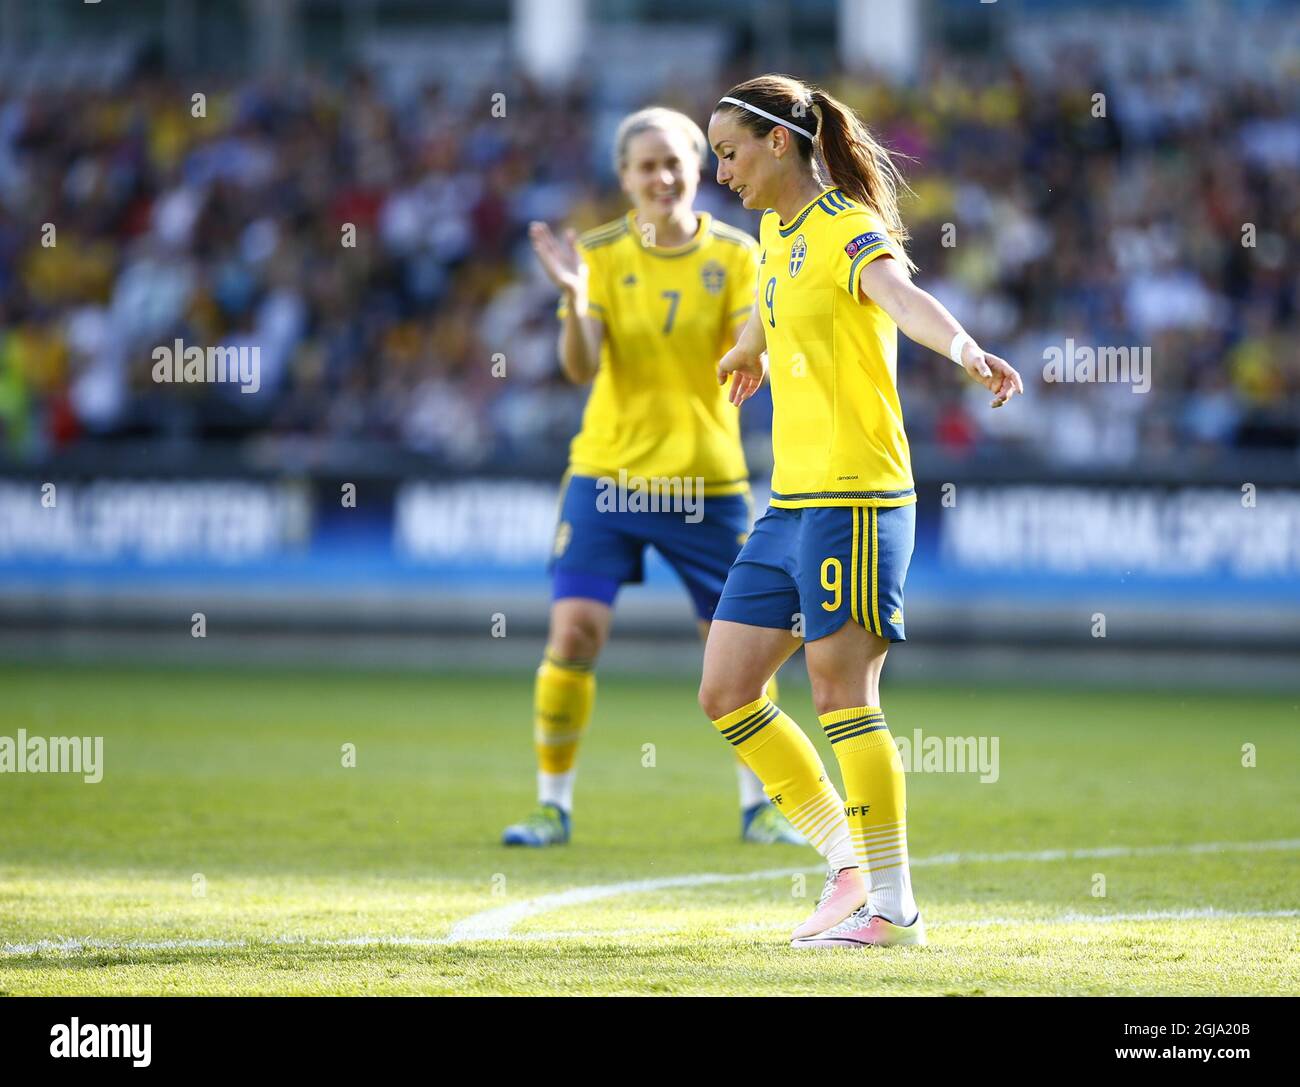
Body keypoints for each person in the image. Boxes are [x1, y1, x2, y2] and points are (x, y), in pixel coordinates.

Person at [699, 75, 1023, 946]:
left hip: (856, 495)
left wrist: (962, 347)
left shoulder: (848, 225)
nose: (719, 170)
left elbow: (900, 300)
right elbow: (780, 303)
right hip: (792, 500)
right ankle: (847, 864)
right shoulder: (775, 230)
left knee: (843, 691)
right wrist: (747, 347)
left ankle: (896, 908)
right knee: (727, 689)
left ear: (778, 143)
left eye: (728, 152)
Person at [502, 106, 803, 848]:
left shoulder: (738, 254)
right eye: (647, 166)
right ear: (625, 177)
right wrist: (574, 301)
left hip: (707, 483)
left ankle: (759, 805)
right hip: (608, 475)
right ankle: (553, 805)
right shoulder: (598, 255)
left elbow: (748, 343)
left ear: (700, 170)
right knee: (574, 633)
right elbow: (580, 367)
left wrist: (755, 351)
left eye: (676, 163)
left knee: (743, 647)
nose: (663, 177)